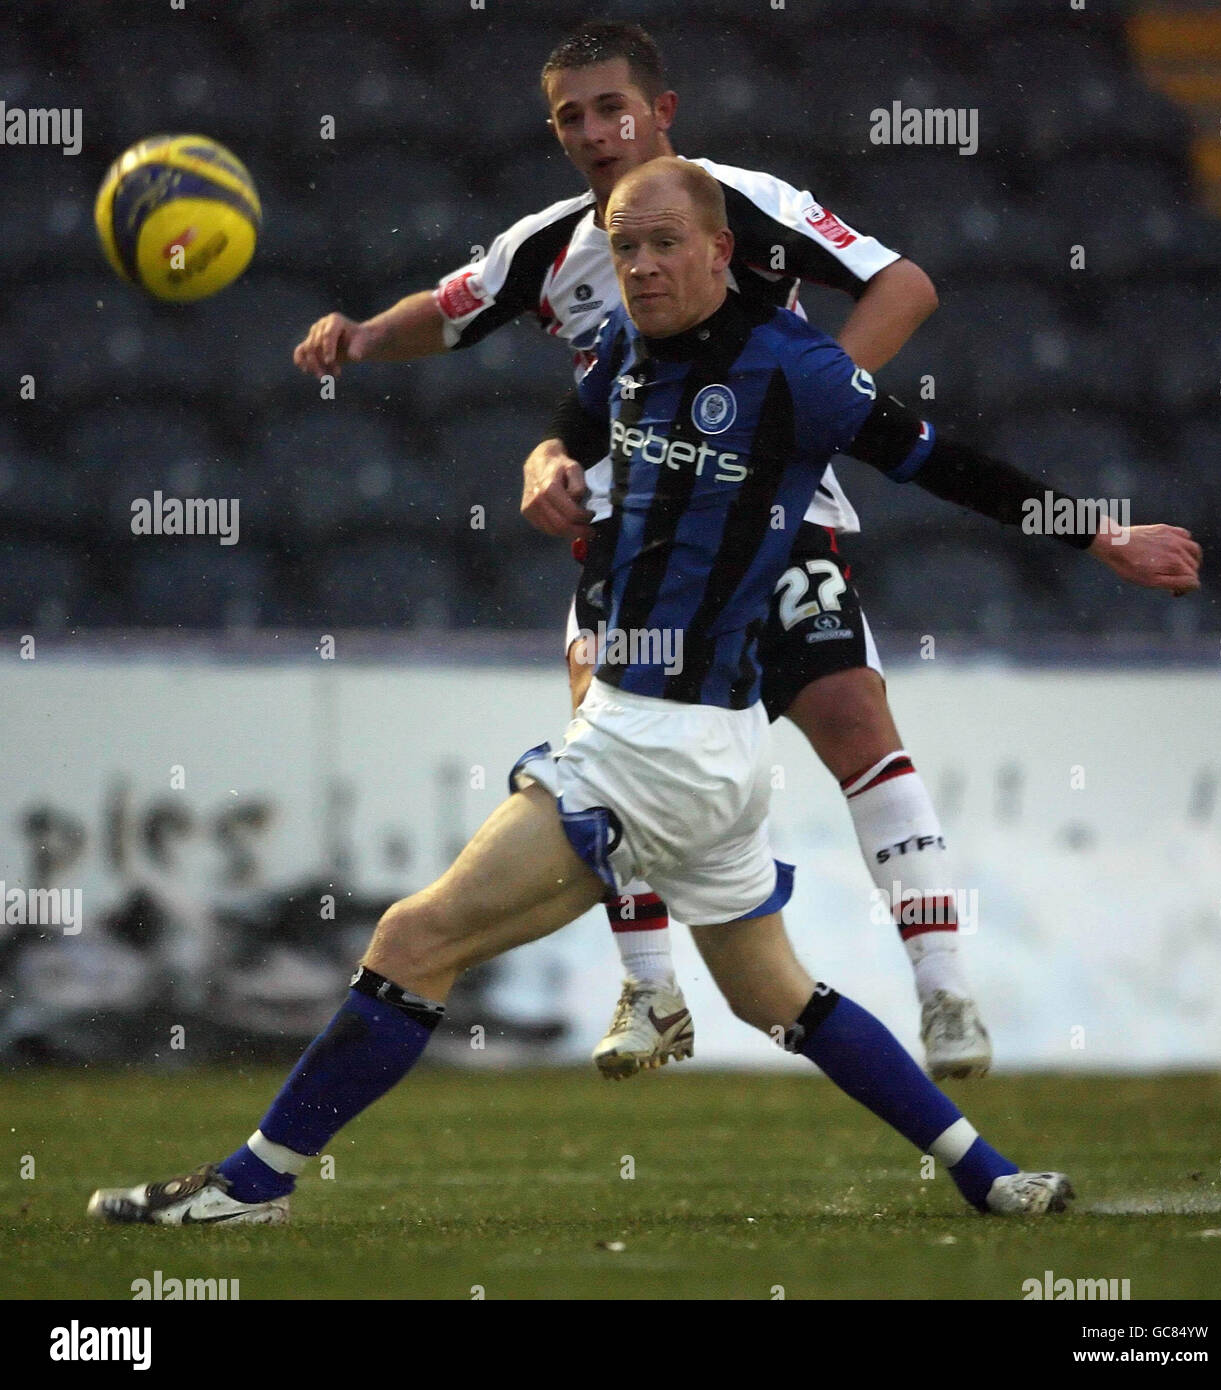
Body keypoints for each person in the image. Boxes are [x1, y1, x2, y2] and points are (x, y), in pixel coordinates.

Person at [92, 157, 1194, 1226]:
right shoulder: (625, 344)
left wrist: (1101, 535)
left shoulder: (795, 371)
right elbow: (575, 429)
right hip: (701, 756)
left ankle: (253, 1184)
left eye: (667, 244)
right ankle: (986, 1173)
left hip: (656, 745)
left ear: (723, 250)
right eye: (626, 248)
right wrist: (543, 464)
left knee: (411, 939)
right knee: (776, 997)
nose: (645, 266)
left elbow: (946, 461)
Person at [292, 19, 999, 1082]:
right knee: (601, 730)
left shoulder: (744, 200)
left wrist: (809, 411)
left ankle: (945, 993)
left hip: (777, 511)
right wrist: (358, 335)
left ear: (661, 112)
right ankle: (651, 989)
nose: (592, 132)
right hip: (633, 534)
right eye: (570, 117)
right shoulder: (550, 244)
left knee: (851, 715)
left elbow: (904, 284)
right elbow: (448, 314)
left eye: (611, 107)